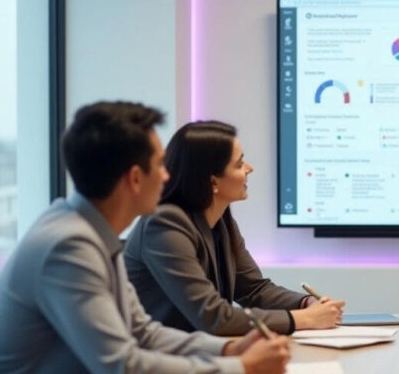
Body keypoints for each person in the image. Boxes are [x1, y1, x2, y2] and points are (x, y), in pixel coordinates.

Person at [0, 102, 290, 374]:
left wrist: (228, 349)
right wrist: (242, 369)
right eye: (160, 165)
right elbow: (124, 369)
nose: (168, 176)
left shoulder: (89, 233)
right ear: (135, 179)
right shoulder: (68, 247)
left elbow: (143, 332)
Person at [125, 120, 345, 335]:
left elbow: (253, 289)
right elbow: (213, 317)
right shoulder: (164, 225)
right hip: (163, 360)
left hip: (201, 353)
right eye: (239, 164)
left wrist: (305, 303)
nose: (250, 169)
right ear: (212, 182)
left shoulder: (221, 221)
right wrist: (304, 319)